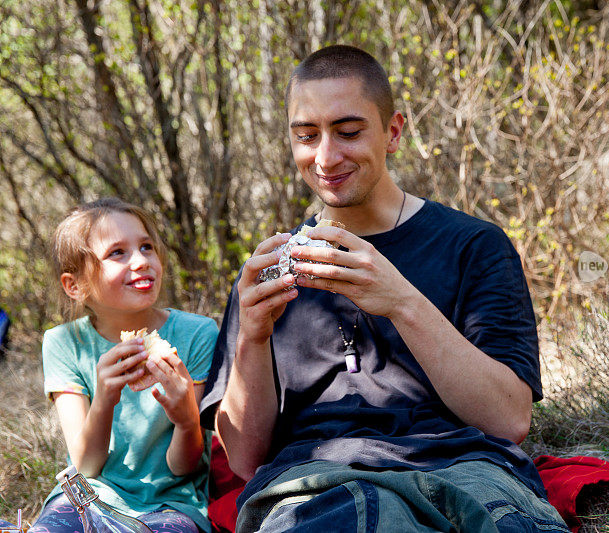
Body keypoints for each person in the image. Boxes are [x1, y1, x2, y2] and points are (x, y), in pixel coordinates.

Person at [200, 45, 569, 532]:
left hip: (467, 470)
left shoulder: (475, 246)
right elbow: (245, 460)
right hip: (316, 481)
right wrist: (252, 337)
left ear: (393, 131)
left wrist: (401, 301)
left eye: (349, 132)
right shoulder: (270, 268)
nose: (327, 157)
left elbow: (508, 421)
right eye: (307, 136)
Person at [36, 198, 217, 533]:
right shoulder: (63, 343)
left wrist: (187, 419)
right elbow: (86, 465)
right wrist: (104, 398)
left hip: (170, 502)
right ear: (74, 286)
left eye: (146, 246)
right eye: (117, 252)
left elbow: (185, 468)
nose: (141, 261)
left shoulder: (197, 334)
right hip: (87, 496)